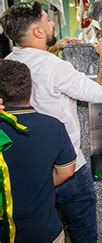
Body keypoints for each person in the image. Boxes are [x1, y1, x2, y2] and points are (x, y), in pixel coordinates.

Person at [1, 0, 102, 242]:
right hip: (69, 168)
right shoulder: (57, 68)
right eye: (46, 20)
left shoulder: (9, 64)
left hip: (31, 171)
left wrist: (53, 49)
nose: (52, 22)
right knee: (83, 234)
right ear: (38, 32)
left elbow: (35, 66)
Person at [0, 59, 76, 242]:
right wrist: (38, 182)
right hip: (45, 230)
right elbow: (67, 170)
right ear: (30, 89)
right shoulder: (54, 126)